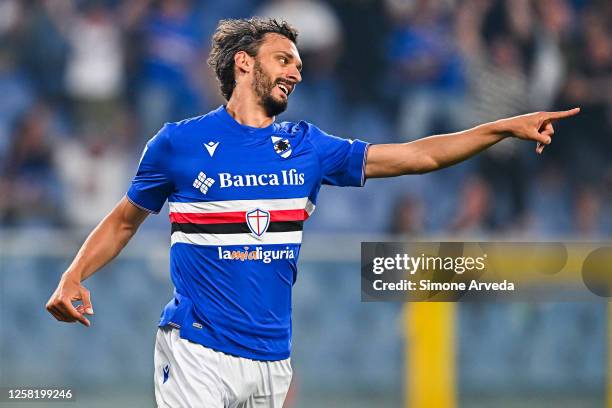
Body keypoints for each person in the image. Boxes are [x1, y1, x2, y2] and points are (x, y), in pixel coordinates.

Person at [46, 18, 579, 408]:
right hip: (196, 350)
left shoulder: (308, 146)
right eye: (285, 59)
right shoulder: (178, 143)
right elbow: (122, 221)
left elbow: (418, 155)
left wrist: (502, 127)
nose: (297, 72)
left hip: (273, 360)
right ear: (244, 63)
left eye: (299, 64)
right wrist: (73, 275)